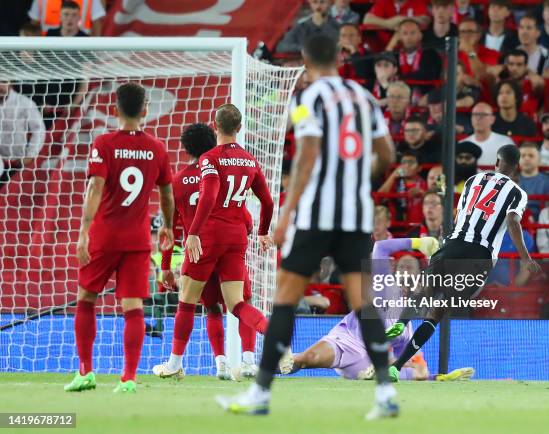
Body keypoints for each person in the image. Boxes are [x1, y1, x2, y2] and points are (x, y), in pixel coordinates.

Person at [216, 34, 398, 419]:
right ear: (339, 55)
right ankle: (384, 393)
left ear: (304, 59)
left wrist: (285, 215)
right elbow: (387, 153)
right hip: (356, 215)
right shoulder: (363, 97)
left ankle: (261, 393)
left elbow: (309, 154)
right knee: (363, 304)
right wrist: (356, 178)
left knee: (284, 296)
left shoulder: (307, 98)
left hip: (317, 214)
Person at [385, 145, 540, 381]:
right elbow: (512, 222)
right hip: (479, 255)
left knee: (424, 292)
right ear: (516, 165)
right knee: (437, 312)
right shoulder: (517, 192)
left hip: (453, 244)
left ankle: (401, 321)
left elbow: (460, 213)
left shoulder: (473, 180)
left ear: (496, 162)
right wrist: (525, 258)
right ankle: (397, 365)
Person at [64, 82, 175, 394]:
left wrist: (83, 231)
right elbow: (167, 194)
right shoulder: (157, 147)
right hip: (138, 240)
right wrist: (167, 225)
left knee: (86, 299)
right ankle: (128, 378)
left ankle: (86, 372)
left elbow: (95, 188)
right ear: (145, 111)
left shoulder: (104, 142)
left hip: (104, 236)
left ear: (114, 110)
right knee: (133, 307)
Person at [164, 105, 274, 386]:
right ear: (239, 127)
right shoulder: (248, 161)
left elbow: (181, 220)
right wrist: (255, 230)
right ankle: (255, 354)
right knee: (238, 303)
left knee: (195, 305)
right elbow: (258, 208)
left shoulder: (186, 176)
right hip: (234, 239)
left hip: (203, 243)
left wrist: (171, 258)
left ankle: (189, 363)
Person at [285, 249, 473, 382]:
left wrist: (437, 377)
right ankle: (263, 368)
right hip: (345, 341)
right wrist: (417, 241)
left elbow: (417, 368)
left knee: (409, 371)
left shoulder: (406, 330)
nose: (405, 275)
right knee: (305, 359)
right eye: (402, 269)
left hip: (365, 361)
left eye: (410, 270)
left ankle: (372, 372)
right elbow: (380, 250)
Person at [0, 80, 45, 186]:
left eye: (3, 82)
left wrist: (31, 154)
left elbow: (39, 129)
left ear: (10, 83)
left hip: (20, 163)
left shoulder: (24, 103)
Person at [385, 18, 442, 95]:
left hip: (425, 99)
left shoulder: (431, 54)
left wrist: (400, 77)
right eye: (405, 33)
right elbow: (385, 71)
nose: (409, 37)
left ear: (420, 35)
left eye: (413, 33)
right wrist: (391, 45)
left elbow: (426, 75)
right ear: (399, 36)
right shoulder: (395, 55)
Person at [378, 150, 427, 223]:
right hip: (396, 227)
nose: (407, 165)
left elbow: (439, 199)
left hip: (418, 228)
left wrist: (423, 194)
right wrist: (393, 175)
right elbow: (379, 198)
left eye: (411, 162)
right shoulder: (394, 182)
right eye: (404, 162)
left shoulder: (425, 184)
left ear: (419, 168)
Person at [492, 49, 543, 114]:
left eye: (519, 64)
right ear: (506, 65)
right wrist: (502, 68)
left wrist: (529, 72)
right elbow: (489, 73)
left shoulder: (532, 84)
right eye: (511, 64)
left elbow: (539, 82)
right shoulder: (500, 85)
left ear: (526, 66)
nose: (514, 68)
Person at [519, 142, 549, 220]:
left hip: (540, 223)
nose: (526, 158)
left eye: (531, 156)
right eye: (523, 156)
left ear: (539, 159)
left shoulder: (548, 182)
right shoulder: (509, 181)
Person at [29, 0, 106, 36]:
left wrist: (93, 47)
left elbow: (97, 25)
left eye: (74, 15)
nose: (69, 18)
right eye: (66, 14)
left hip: (81, 42)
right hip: (49, 43)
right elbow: (33, 26)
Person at [363, 0, 430, 31]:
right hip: (384, 48)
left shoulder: (417, 1)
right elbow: (367, 19)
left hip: (412, 47)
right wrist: (388, 23)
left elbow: (426, 20)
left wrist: (403, 20)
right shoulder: (384, 2)